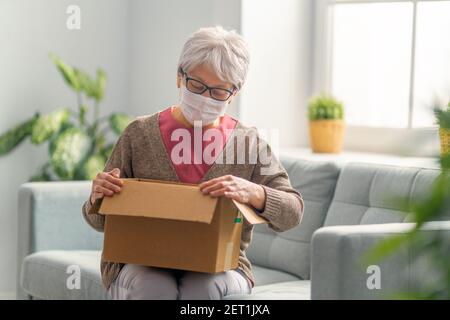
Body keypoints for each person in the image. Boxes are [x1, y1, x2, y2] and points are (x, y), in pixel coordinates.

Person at [82, 26, 304, 300]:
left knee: (201, 288)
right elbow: (97, 222)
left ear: (235, 92)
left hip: (222, 269)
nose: (205, 99)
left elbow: (293, 213)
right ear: (179, 76)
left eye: (219, 91)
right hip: (139, 264)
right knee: (154, 287)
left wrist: (254, 193)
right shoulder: (139, 134)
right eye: (196, 86)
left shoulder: (248, 143)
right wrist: (97, 198)